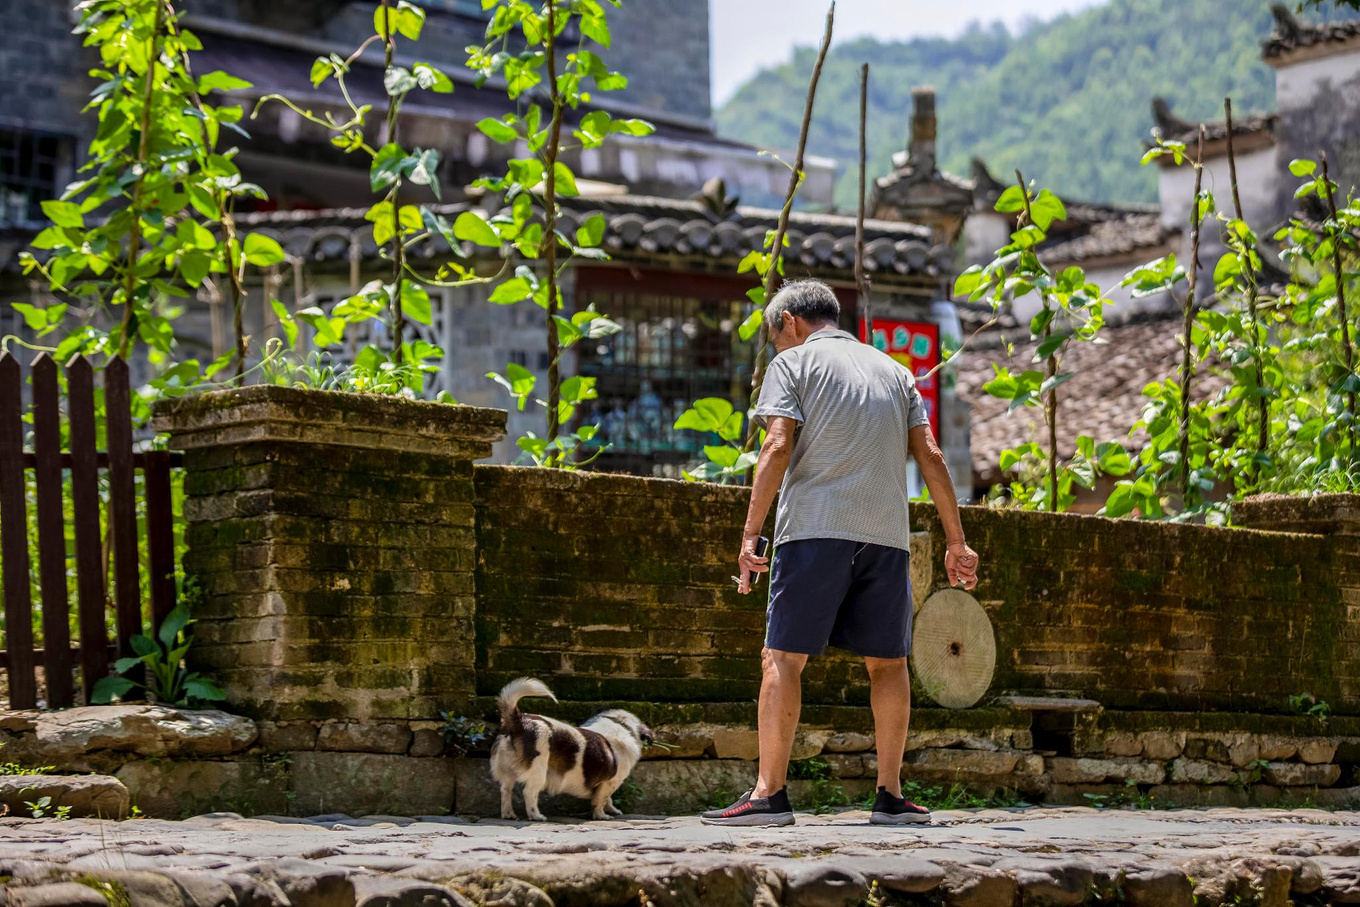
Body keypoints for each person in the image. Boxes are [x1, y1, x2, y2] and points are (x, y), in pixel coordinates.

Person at [700, 279, 979, 828]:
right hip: (886, 537)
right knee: (888, 663)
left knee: (782, 657)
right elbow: (930, 455)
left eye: (775, 337)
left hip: (814, 530)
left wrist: (750, 535)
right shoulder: (896, 372)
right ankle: (891, 796)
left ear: (790, 323)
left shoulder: (794, 364)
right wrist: (956, 542)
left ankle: (769, 795)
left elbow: (777, 445)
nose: (777, 347)